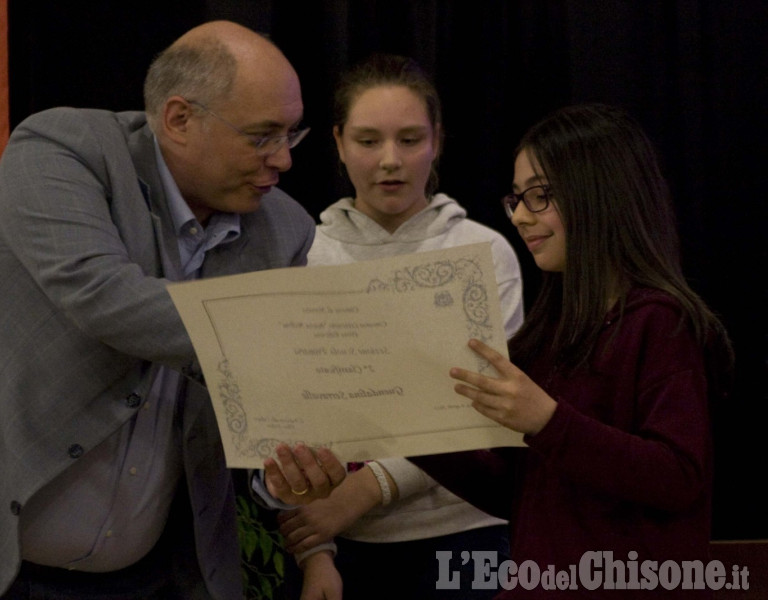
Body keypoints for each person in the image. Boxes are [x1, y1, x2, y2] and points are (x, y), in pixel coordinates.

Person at [0, 20, 344, 600]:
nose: (283, 160)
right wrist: (296, 342)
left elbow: (262, 420)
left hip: (159, 575)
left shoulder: (286, 229)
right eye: (263, 136)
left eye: (292, 134)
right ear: (180, 119)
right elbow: (102, 296)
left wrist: (287, 475)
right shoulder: (63, 150)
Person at [409, 103, 734, 598]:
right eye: (516, 198)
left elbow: (678, 477)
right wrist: (409, 432)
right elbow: (517, 493)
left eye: (539, 196)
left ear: (599, 195)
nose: (519, 216)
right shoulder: (550, 334)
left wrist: (548, 421)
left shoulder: (661, 323)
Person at [271, 53, 525, 600]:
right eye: (368, 140)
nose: (391, 160)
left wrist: (369, 488)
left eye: (410, 139)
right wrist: (317, 554)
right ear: (337, 142)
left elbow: (489, 410)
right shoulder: (303, 253)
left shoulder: (482, 252)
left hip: (465, 534)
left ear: (437, 140)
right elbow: (289, 418)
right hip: (338, 543)